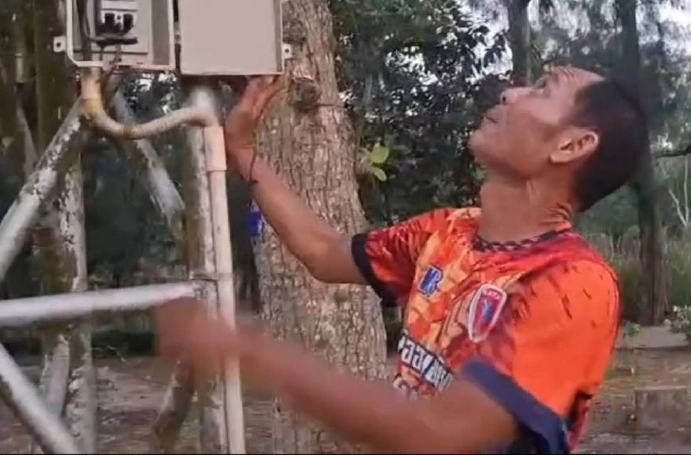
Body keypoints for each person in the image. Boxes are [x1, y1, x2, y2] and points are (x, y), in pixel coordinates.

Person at [155, 66, 648, 454]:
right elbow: (325, 252)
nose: (510, 93)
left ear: (572, 145)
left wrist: (247, 350)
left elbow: (436, 433)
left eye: (542, 89)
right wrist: (243, 151)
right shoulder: (448, 231)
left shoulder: (574, 286)